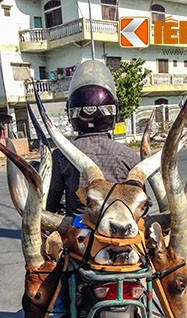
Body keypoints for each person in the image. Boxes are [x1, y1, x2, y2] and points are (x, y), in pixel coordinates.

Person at [46, 59, 140, 217]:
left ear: (72, 113)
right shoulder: (130, 156)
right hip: (123, 236)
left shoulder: (60, 156)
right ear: (112, 111)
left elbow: (50, 204)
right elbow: (140, 204)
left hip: (78, 235)